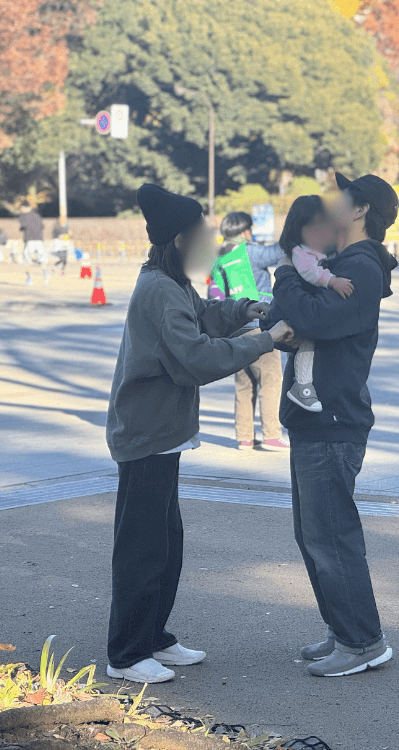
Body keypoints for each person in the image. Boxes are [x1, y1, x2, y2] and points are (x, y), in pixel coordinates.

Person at [105, 184, 295, 684]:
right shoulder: (160, 290)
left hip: (161, 432)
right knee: (142, 549)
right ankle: (125, 653)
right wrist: (266, 339)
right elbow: (196, 359)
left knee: (166, 544)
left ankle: (154, 637)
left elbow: (203, 317)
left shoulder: (169, 282)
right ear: (176, 242)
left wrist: (244, 311)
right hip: (146, 434)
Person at [263, 173, 398, 677]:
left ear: (360, 210)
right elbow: (281, 321)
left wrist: (285, 277)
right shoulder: (336, 264)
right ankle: (346, 630)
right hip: (316, 418)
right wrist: (289, 300)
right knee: (313, 533)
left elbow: (311, 321)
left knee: (330, 535)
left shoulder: (360, 267)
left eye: (340, 196)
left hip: (334, 419)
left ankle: (363, 642)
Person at [215, 212, 290, 451]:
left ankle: (245, 437)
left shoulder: (220, 258)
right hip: (260, 326)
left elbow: (214, 295)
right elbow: (277, 253)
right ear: (244, 231)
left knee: (244, 383)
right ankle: (271, 435)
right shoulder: (249, 251)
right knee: (270, 379)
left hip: (234, 329)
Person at [277, 197, 355, 414]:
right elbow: (309, 272)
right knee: (307, 343)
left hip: (315, 305)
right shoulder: (300, 251)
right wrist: (331, 281)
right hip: (302, 308)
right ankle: (302, 385)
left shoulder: (320, 248)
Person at [18, 204, 48, 285]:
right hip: (39, 240)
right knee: (42, 260)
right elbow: (42, 226)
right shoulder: (37, 216)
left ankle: (29, 279)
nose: (21, 210)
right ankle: (45, 278)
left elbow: (23, 226)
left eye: (22, 208)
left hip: (29, 240)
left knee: (27, 261)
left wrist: (21, 228)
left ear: (26, 207)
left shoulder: (23, 216)